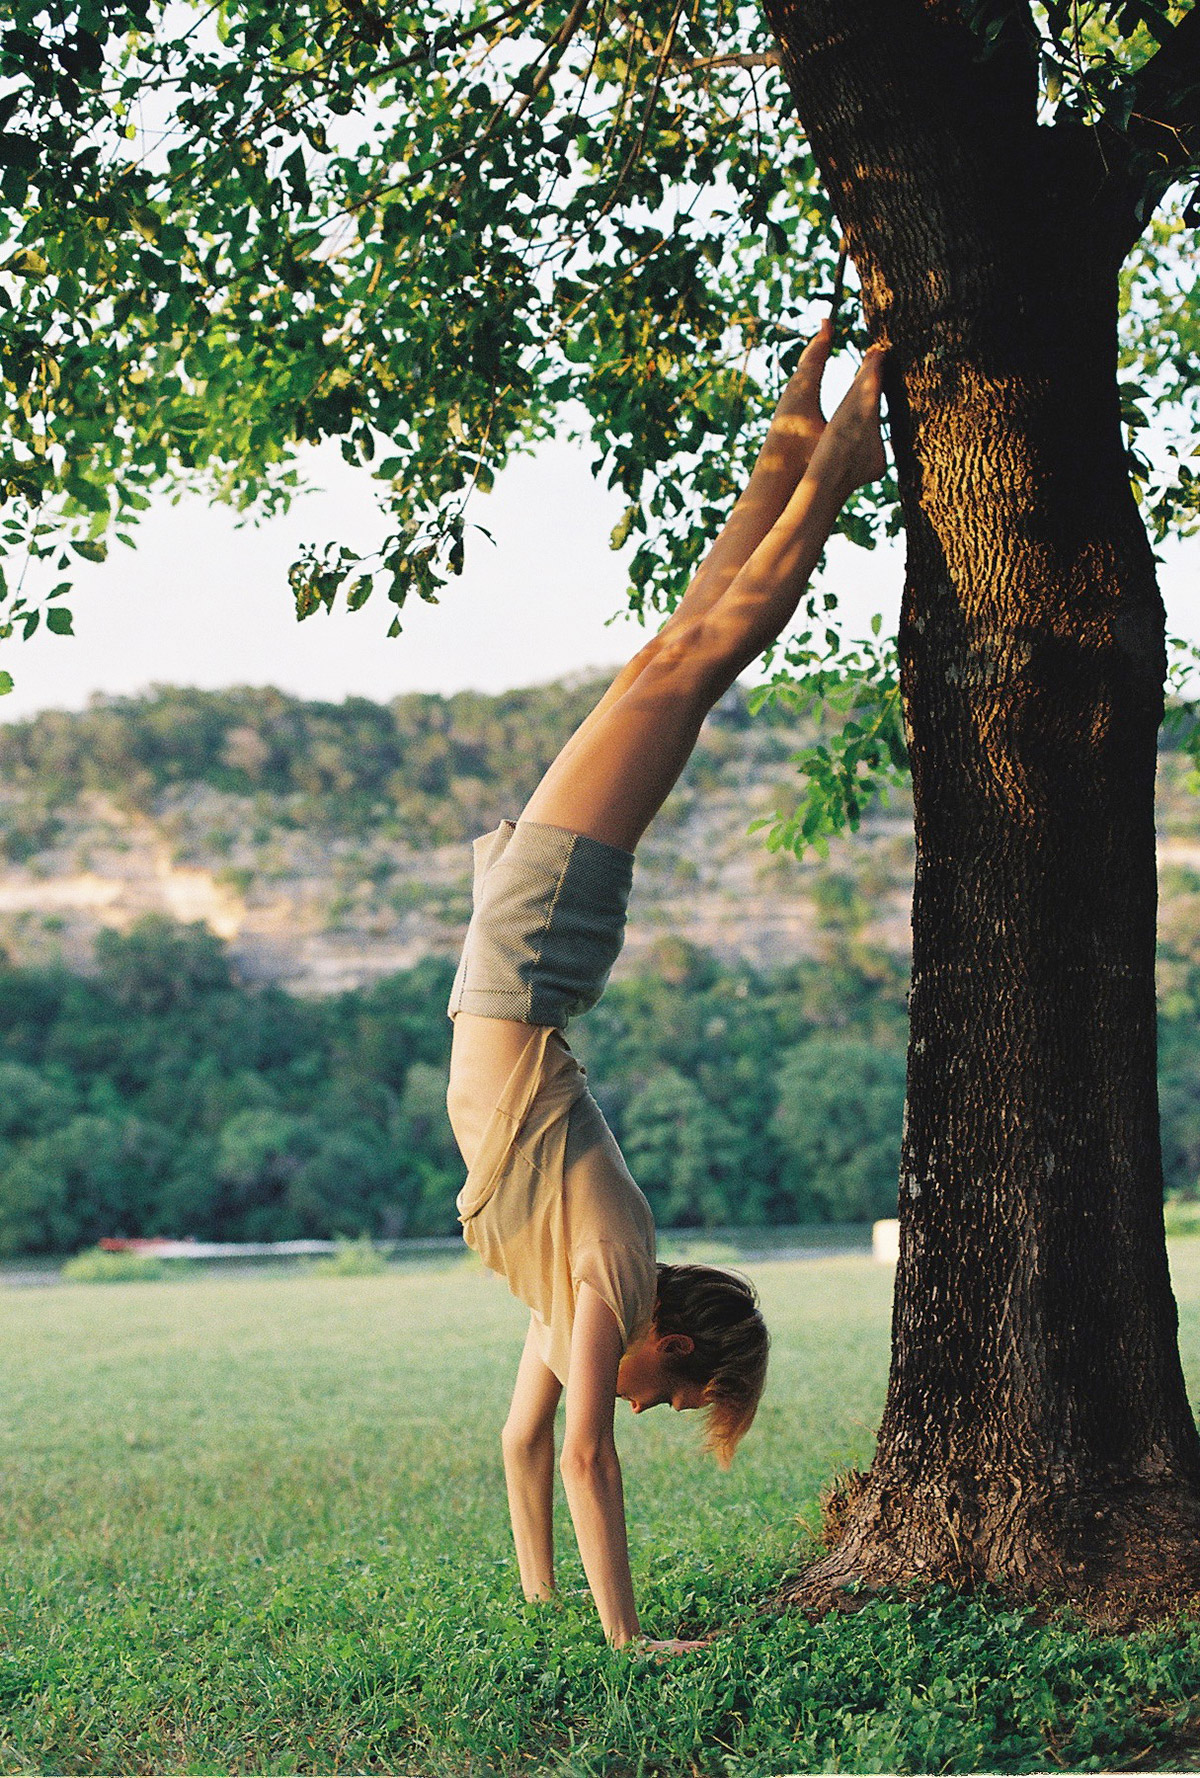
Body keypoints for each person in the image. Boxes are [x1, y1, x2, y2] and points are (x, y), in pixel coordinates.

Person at [445, 319, 888, 1652]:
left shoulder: (574, 1286)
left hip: (516, 958)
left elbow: (527, 1445)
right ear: (676, 1342)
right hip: (531, 955)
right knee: (698, 659)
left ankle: (802, 430)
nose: (643, 1408)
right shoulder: (610, 1276)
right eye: (674, 1397)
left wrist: (546, 1609)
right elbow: (586, 1455)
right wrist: (630, 1642)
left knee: (679, 650)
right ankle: (830, 456)